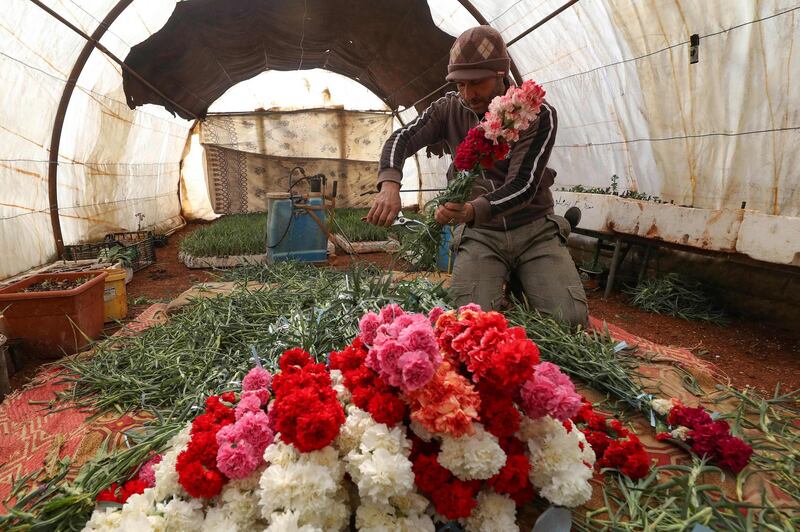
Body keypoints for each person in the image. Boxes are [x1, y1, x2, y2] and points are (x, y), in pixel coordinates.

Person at [366, 25, 588, 328]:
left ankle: (536, 264)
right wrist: (390, 183)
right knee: (470, 322)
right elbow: (401, 138)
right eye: (460, 85)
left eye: (477, 83)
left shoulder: (536, 114)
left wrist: (472, 209)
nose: (468, 94)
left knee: (569, 321)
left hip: (533, 228)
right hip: (481, 234)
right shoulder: (448, 109)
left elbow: (523, 185)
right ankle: (511, 277)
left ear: (501, 74)